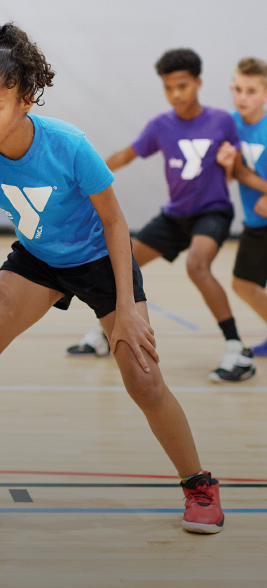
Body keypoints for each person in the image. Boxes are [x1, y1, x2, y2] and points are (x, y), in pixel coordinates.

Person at [0, 24, 224, 534]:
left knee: (142, 377)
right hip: (38, 257)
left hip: (99, 258)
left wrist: (129, 309)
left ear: (25, 99)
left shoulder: (69, 145)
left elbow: (117, 223)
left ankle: (199, 484)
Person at [66, 49, 256, 383]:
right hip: (174, 216)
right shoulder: (160, 126)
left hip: (212, 212)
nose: (176, 95)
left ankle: (236, 348)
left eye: (182, 86)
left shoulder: (222, 121)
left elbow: (235, 169)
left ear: (198, 83)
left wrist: (232, 164)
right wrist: (81, 177)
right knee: (118, 261)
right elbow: (125, 155)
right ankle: (105, 333)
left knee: (197, 265)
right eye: (169, 88)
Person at [216, 58, 267, 356]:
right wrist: (228, 168)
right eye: (238, 89)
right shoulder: (230, 124)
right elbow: (230, 176)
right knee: (243, 284)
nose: (243, 97)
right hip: (256, 220)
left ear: (265, 93)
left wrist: (248, 177)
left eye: (251, 91)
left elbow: (244, 174)